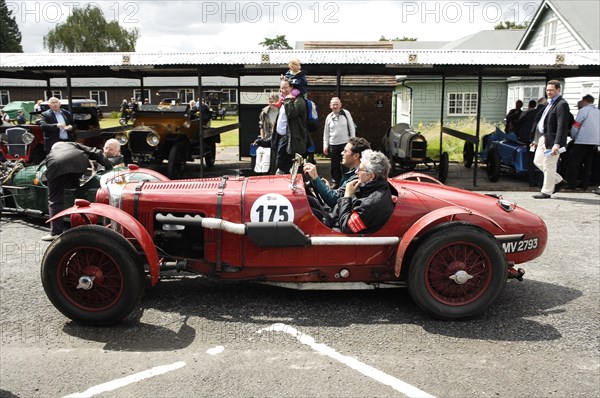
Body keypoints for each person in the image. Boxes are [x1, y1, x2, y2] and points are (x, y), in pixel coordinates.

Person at [41, 141, 114, 241]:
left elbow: (47, 173)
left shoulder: (52, 154)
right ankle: (82, 219)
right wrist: (109, 167)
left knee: (54, 199)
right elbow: (95, 151)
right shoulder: (72, 144)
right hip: (79, 162)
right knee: (76, 189)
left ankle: (55, 232)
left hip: (56, 165)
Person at [326, 150, 394, 234]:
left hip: (340, 232)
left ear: (371, 176)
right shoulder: (372, 186)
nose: (356, 172)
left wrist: (347, 196)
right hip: (335, 217)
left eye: (360, 170)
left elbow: (346, 227)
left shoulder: (370, 205)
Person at [304, 136, 370, 209]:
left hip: (338, 215)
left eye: (345, 151)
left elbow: (335, 201)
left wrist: (315, 178)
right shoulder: (354, 173)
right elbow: (339, 195)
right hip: (339, 212)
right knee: (309, 200)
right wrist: (327, 188)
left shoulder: (358, 177)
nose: (342, 153)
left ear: (356, 156)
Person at [532, 80, 570, 199]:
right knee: (538, 161)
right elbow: (543, 122)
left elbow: (562, 125)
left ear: (558, 90)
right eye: (547, 90)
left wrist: (557, 144)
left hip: (553, 141)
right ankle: (558, 180)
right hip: (544, 138)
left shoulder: (561, 104)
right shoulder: (550, 103)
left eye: (551, 90)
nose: (549, 92)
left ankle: (547, 191)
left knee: (549, 164)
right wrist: (536, 140)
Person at [272, 78, 310, 175]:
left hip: (292, 140)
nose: (282, 90)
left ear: (292, 87)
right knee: (282, 165)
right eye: (281, 88)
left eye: (285, 87)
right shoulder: (286, 101)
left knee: (288, 166)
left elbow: (291, 114)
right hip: (282, 138)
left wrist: (288, 99)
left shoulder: (298, 100)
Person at [565, 94, 600, 190]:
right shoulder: (598, 111)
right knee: (588, 164)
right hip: (594, 141)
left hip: (582, 140)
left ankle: (571, 184)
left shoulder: (583, 110)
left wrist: (573, 136)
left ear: (585, 101)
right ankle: (585, 184)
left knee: (574, 162)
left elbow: (576, 126)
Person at [323, 97, 356, 188]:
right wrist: (325, 145)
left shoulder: (346, 114)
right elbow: (326, 132)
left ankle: (347, 182)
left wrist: (352, 142)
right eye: (333, 104)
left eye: (337, 104)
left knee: (346, 164)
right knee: (335, 165)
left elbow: (351, 127)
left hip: (345, 143)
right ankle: (336, 182)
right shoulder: (329, 117)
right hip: (333, 144)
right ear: (330, 106)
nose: (335, 106)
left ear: (340, 105)